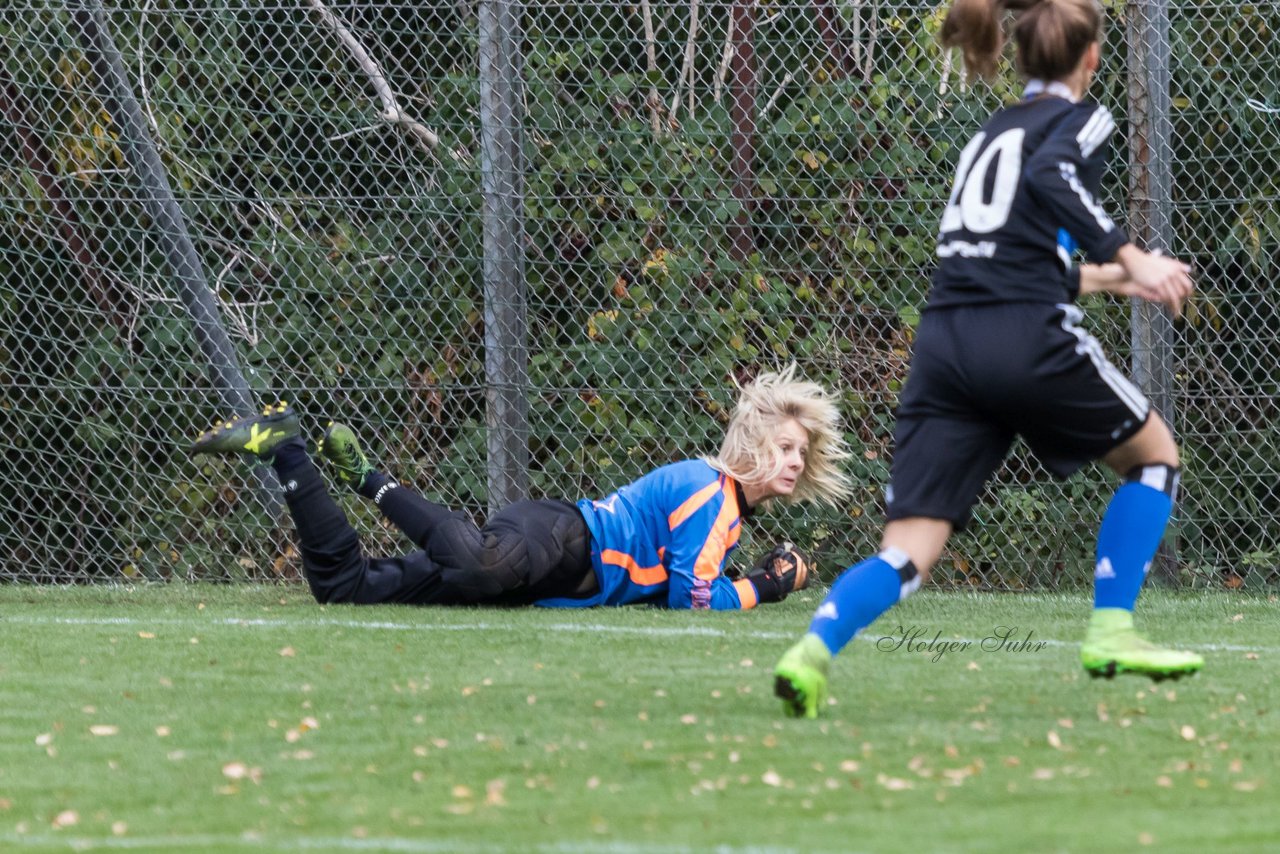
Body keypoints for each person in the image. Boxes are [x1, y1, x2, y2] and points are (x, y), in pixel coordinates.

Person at [773, 0, 1201, 718]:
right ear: (1090, 58)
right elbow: (1054, 184)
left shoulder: (991, 132)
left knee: (906, 555)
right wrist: (1131, 256)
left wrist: (1122, 275)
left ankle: (812, 651)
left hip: (946, 344)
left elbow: (1008, 259)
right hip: (1025, 335)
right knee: (1154, 459)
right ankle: (1112, 628)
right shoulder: (1080, 118)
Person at [191, 366, 851, 609]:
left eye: (802, 453)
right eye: (785, 446)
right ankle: (369, 478)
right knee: (481, 565)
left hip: (545, 582)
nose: (794, 461)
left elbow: (690, 573)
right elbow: (692, 598)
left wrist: (758, 573)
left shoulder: (726, 514)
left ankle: (288, 454)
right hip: (561, 537)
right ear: (752, 439)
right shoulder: (713, 492)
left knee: (347, 590)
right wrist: (770, 584)